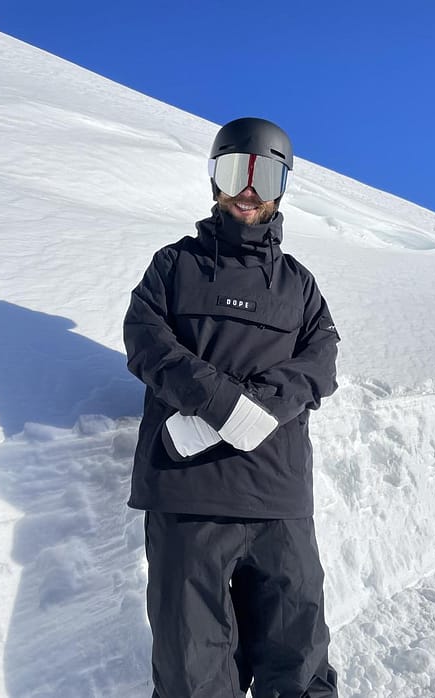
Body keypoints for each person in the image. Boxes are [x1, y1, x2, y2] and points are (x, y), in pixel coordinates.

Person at [124, 117, 340, 698]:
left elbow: (320, 365)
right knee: (192, 674)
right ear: (214, 179)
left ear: (281, 187)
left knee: (299, 666)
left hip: (279, 500)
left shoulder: (299, 285)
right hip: (187, 499)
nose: (247, 189)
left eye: (264, 175)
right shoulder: (173, 266)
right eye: (234, 171)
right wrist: (221, 405)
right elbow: (146, 343)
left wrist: (257, 408)